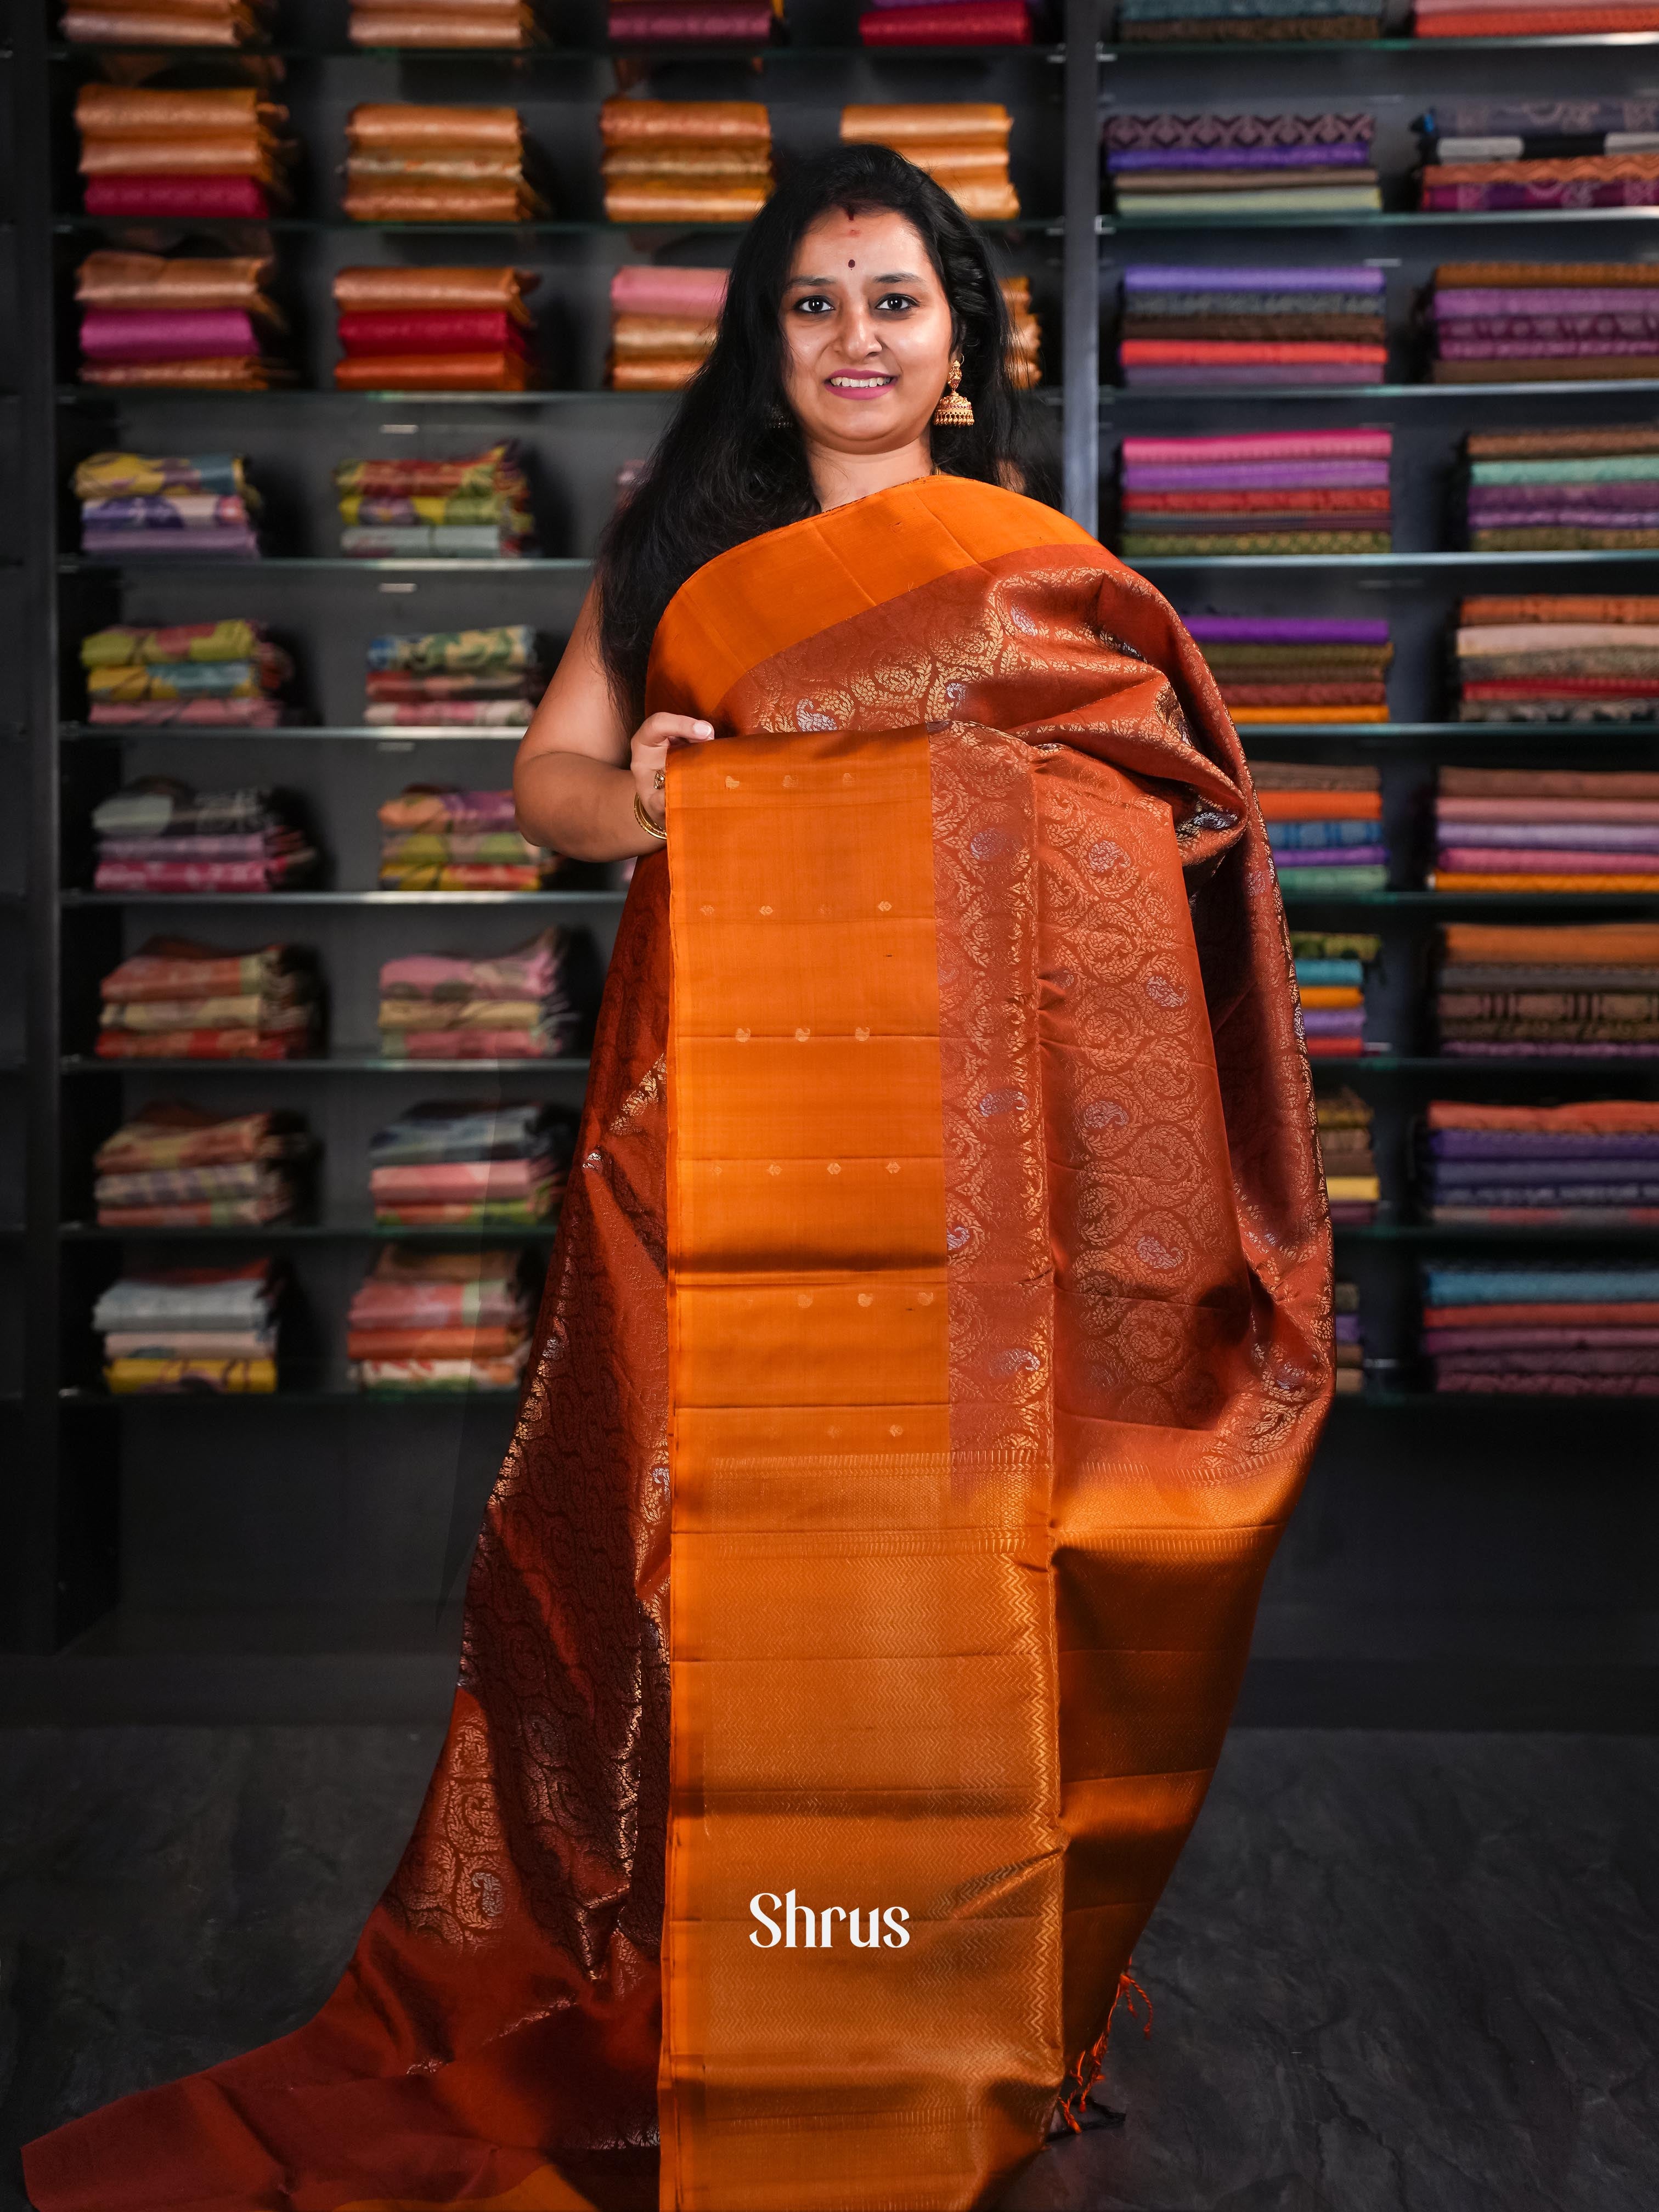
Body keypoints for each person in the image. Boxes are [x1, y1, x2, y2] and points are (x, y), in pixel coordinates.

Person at [25, 145, 1333, 2212]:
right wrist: (636, 789)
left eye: (894, 300)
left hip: (971, 1156)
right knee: (705, 1545)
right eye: (811, 304)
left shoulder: (1020, 565)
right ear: (764, 340)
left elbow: (1130, 820)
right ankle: (752, 1965)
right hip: (733, 1124)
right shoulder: (684, 549)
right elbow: (544, 781)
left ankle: (943, 1978)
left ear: (961, 353)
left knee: (961, 1552)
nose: (854, 340)